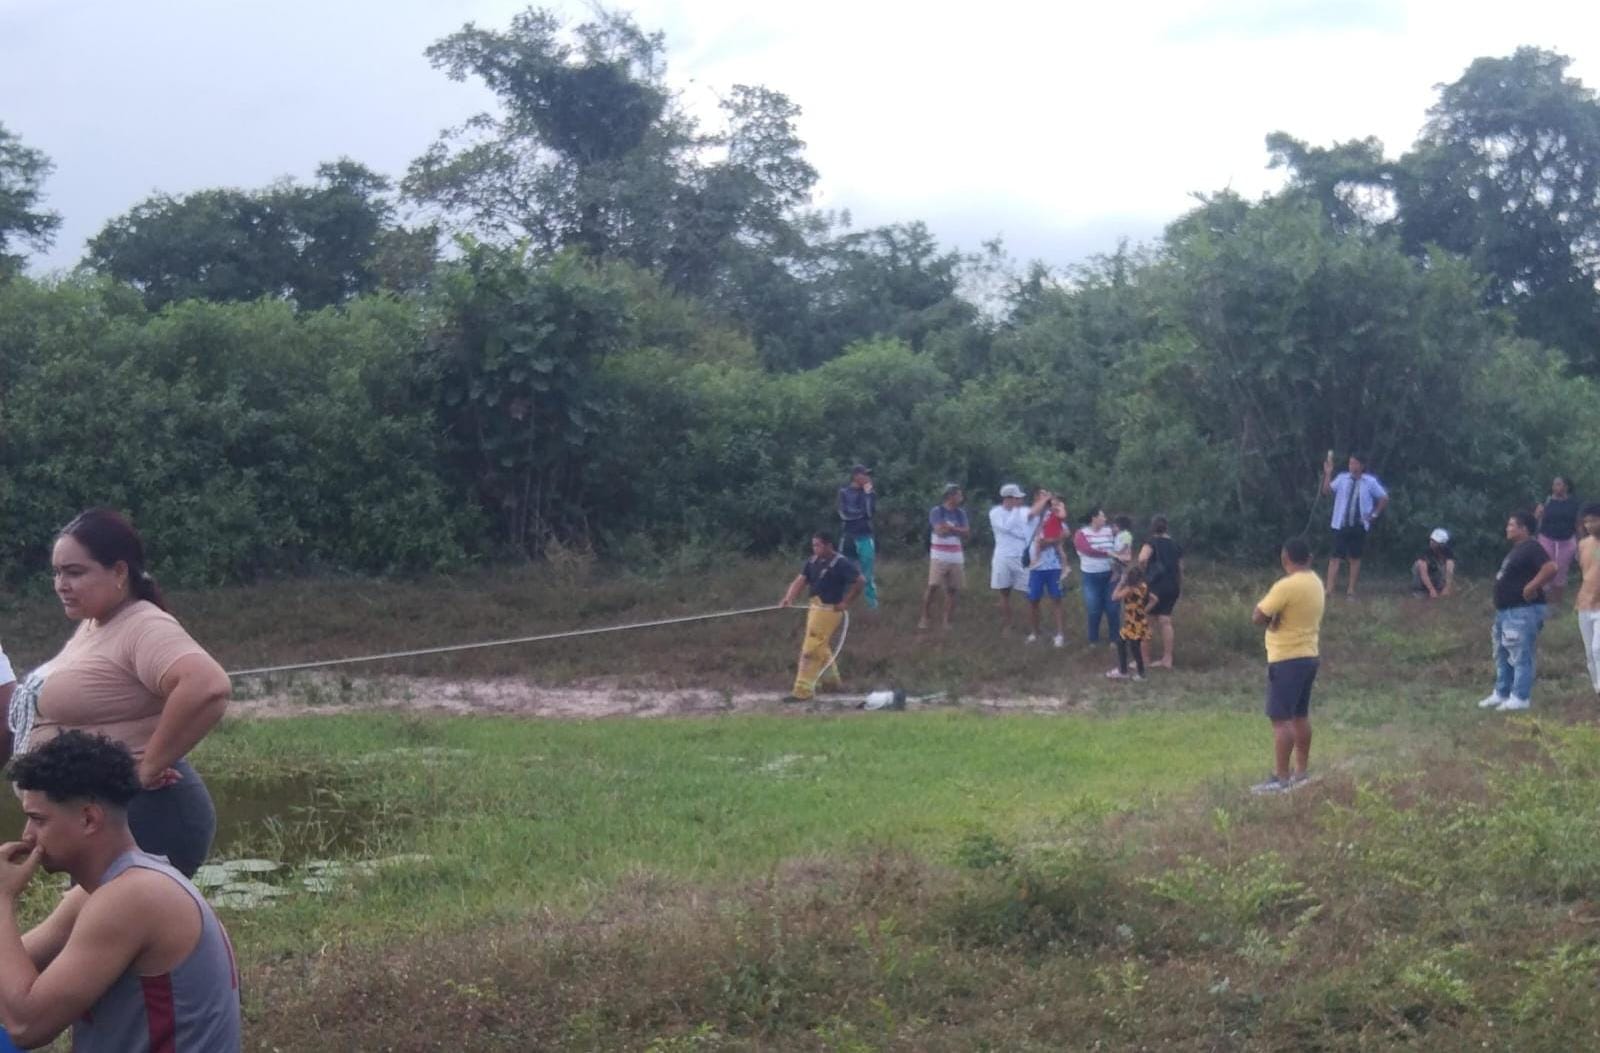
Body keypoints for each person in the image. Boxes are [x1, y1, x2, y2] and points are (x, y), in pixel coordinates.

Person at [6, 509, 231, 878]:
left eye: (75, 572)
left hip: (145, 816)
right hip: (106, 818)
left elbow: (207, 685)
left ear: (119, 572)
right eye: (57, 572)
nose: (61, 584)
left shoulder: (143, 625)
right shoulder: (96, 624)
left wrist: (146, 769)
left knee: (106, 932)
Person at [0, 731, 241, 1050]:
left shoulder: (136, 898)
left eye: (38, 820)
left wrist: (1, 899)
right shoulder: (99, 892)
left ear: (88, 819)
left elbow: (26, 1025)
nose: (27, 836)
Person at [1250, 536, 1325, 794]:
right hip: (1309, 655)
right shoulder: (1316, 582)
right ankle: (1300, 772)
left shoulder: (1286, 586)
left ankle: (1281, 779)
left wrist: (1273, 618)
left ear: (1285, 559)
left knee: (1280, 720)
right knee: (1300, 716)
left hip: (1286, 659)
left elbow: (1258, 616)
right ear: (1310, 559)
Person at [1477, 511, 1558, 713]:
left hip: (1523, 611)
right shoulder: (1517, 550)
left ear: (1524, 529)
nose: (1508, 528)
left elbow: (1551, 568)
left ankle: (1520, 697)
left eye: (1512, 525)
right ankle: (1502, 692)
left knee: (1520, 654)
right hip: (1506, 611)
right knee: (1503, 653)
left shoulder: (1532, 547)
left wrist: (1532, 586)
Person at [779, 531, 864, 701]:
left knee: (811, 649)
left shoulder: (841, 563)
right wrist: (789, 598)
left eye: (818, 545)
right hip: (814, 608)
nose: (815, 548)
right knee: (821, 645)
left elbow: (860, 581)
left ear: (828, 545)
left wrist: (846, 602)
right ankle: (831, 683)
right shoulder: (812, 562)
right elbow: (800, 580)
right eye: (814, 545)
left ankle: (802, 691)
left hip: (829, 610)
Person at [1321, 451, 1388, 599]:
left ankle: (1351, 589)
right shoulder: (1342, 478)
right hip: (1341, 523)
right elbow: (1326, 491)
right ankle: (1329, 589)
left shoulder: (1369, 482)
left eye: (1355, 463)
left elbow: (1383, 497)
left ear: (1361, 465)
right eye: (1350, 463)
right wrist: (1328, 474)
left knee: (1355, 558)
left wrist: (1373, 515)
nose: (1352, 466)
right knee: (1335, 557)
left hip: (1359, 524)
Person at [989, 485, 1048, 633]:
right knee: (1004, 592)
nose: (1021, 500)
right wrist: (1016, 512)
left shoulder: (1024, 511)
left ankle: (1035, 627)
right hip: (1002, 557)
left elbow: (1033, 517)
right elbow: (1006, 528)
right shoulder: (995, 512)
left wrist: (1044, 501)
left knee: (1031, 593)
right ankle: (1008, 625)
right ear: (1008, 498)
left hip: (1022, 558)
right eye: (1017, 498)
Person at [919, 484, 971, 631]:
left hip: (956, 555)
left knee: (953, 589)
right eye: (959, 495)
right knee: (933, 586)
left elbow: (967, 532)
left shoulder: (961, 513)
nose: (961, 498)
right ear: (951, 496)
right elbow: (939, 531)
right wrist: (957, 530)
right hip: (939, 555)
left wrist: (951, 528)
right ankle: (924, 617)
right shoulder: (937, 511)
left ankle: (947, 621)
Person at [1137, 516, 1183, 669]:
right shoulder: (1175, 544)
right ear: (1166, 527)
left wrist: (1144, 573)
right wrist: (1178, 584)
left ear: (1152, 527)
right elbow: (1180, 568)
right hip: (1172, 586)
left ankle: (1144, 659)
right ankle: (1167, 659)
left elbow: (1142, 559)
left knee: (1146, 621)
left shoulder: (1151, 542)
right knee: (1165, 621)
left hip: (1154, 586)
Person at [1025, 496, 1069, 648]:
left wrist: (1049, 542)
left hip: (1053, 566)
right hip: (1036, 568)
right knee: (1033, 600)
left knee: (1057, 599)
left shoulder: (1054, 515)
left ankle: (1060, 634)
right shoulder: (1030, 517)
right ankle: (1034, 632)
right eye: (1042, 498)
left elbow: (1065, 534)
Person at [1074, 508, 1122, 644]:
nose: (1105, 519)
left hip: (1111, 575)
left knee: (1113, 608)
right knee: (1094, 608)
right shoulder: (1081, 533)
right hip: (1091, 576)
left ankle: (1115, 638)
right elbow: (1087, 550)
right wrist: (1108, 554)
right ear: (1094, 518)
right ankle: (1093, 640)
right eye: (1102, 516)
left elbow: (1121, 544)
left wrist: (1118, 568)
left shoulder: (1110, 531)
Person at [837, 465, 878, 610]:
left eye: (868, 475)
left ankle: (872, 607)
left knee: (867, 574)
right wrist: (860, 514)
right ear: (856, 476)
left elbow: (869, 513)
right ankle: (840, 604)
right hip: (848, 537)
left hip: (865, 537)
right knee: (843, 572)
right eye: (864, 475)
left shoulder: (869, 493)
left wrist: (868, 495)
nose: (868, 478)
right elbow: (844, 514)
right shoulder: (844, 492)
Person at [1535, 475, 1580, 607]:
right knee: (1545, 569)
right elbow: (1536, 521)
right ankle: (1543, 601)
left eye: (1559, 484)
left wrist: (1581, 542)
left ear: (1566, 487)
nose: (1555, 487)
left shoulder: (1574, 503)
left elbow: (1577, 523)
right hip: (1546, 539)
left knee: (1561, 571)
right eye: (1554, 485)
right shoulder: (1546, 502)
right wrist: (1537, 514)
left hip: (1566, 541)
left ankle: (1557, 603)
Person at [1107, 564, 1153, 680]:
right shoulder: (1143, 586)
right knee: (1123, 642)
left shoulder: (1129, 590)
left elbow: (1114, 597)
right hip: (1139, 620)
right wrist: (1144, 610)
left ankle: (1139, 674)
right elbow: (1154, 599)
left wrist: (1120, 583)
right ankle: (1125, 670)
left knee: (1134, 647)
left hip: (1133, 623)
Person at [1577, 503, 1600, 698]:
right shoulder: (1584, 544)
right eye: (1586, 521)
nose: (1589, 525)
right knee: (1590, 655)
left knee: (1598, 648)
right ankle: (1597, 689)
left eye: (1593, 520)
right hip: (1585, 603)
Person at [1411, 528, 1456, 599]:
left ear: (1442, 544)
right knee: (1418, 565)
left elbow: (1450, 569)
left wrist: (1447, 587)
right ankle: (1420, 590)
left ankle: (1440, 588)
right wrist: (1431, 590)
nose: (1432, 542)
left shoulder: (1447, 552)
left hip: (1435, 573)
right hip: (1424, 573)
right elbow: (1423, 573)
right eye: (1432, 540)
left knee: (1446, 565)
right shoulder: (1425, 550)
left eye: (1435, 541)